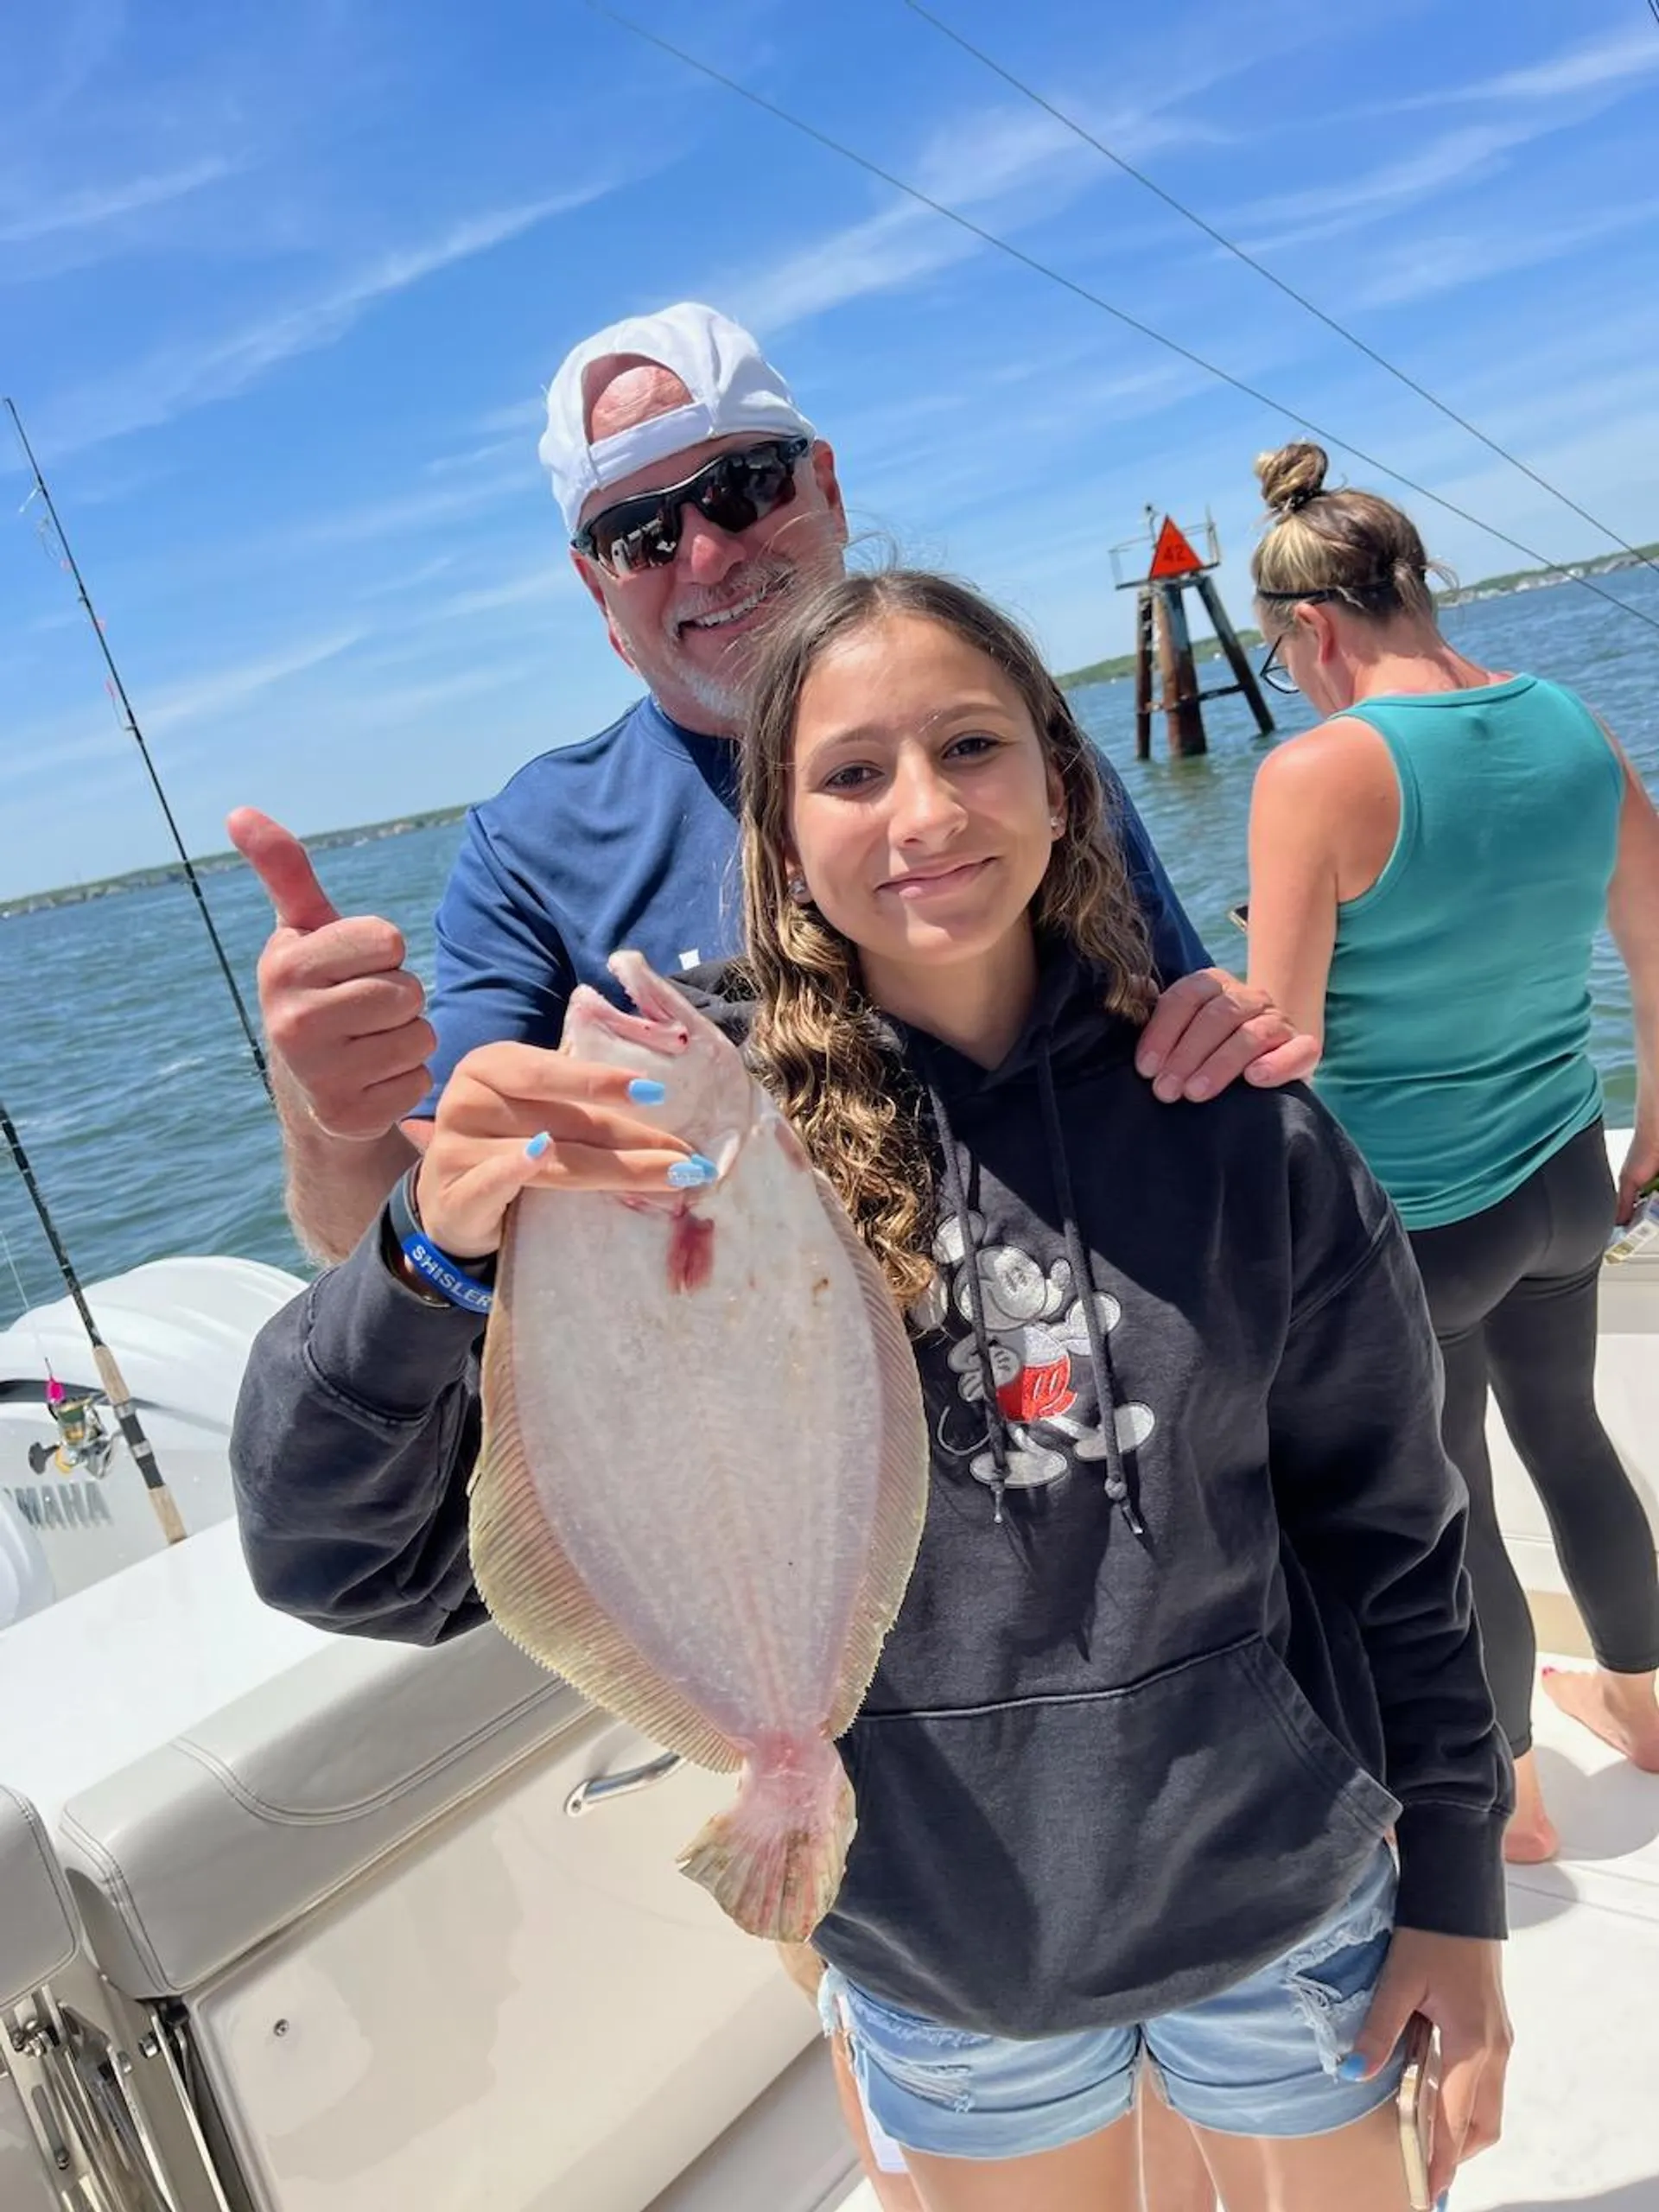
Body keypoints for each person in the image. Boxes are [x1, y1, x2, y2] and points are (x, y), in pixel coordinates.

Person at [232, 567, 1513, 2212]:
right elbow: (350, 1561)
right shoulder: (672, 1165)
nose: (924, 810)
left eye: (973, 746)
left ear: (1066, 781)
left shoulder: (1234, 1118)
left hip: (1284, 1906)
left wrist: (1459, 1895)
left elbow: (1391, 1530)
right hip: (942, 1950)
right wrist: (428, 1247)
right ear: (774, 841)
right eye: (849, 774)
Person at [228, 302, 1315, 1278]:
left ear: (826, 486)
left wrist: (1228, 1022)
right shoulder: (531, 848)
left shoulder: (1014, 745)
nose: (704, 553)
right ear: (595, 583)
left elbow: (1175, 1012)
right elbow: (403, 1225)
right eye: (639, 533)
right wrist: (330, 1107)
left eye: (741, 487)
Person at [1243, 440, 1659, 1866]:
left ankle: (1516, 1805)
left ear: (1311, 629)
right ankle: (1652, 1709)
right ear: (1417, 583)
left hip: (1416, 1225)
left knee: (1454, 1489)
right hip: (1563, 1184)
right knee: (1573, 1434)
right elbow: (1655, 955)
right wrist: (1654, 1120)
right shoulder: (1577, 724)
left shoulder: (1316, 773)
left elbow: (1281, 1044)